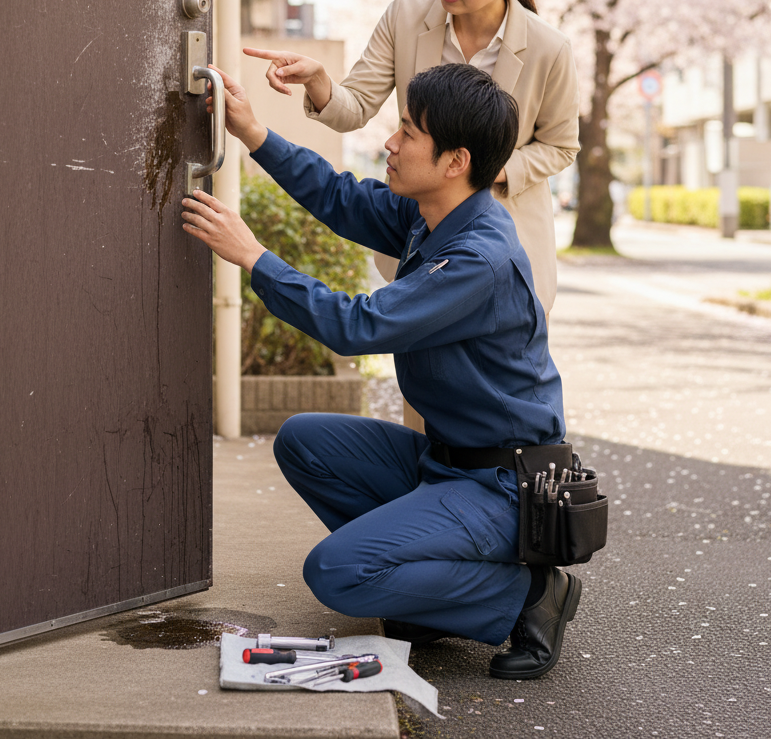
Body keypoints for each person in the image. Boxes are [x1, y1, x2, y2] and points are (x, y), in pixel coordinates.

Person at [181, 62, 582, 680]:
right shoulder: (434, 214)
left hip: (502, 488)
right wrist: (254, 133)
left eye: (409, 132)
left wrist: (254, 258)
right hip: (445, 464)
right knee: (305, 442)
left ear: (456, 161)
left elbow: (358, 325)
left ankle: (529, 597)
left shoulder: (480, 258)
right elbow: (341, 198)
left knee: (335, 572)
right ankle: (422, 599)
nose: (390, 143)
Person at [244, 0, 580, 321]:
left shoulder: (549, 49)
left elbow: (561, 146)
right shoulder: (405, 15)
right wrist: (319, 81)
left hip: (507, 246)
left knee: (493, 379)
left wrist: (483, 169)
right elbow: (356, 106)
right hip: (420, 235)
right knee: (419, 379)